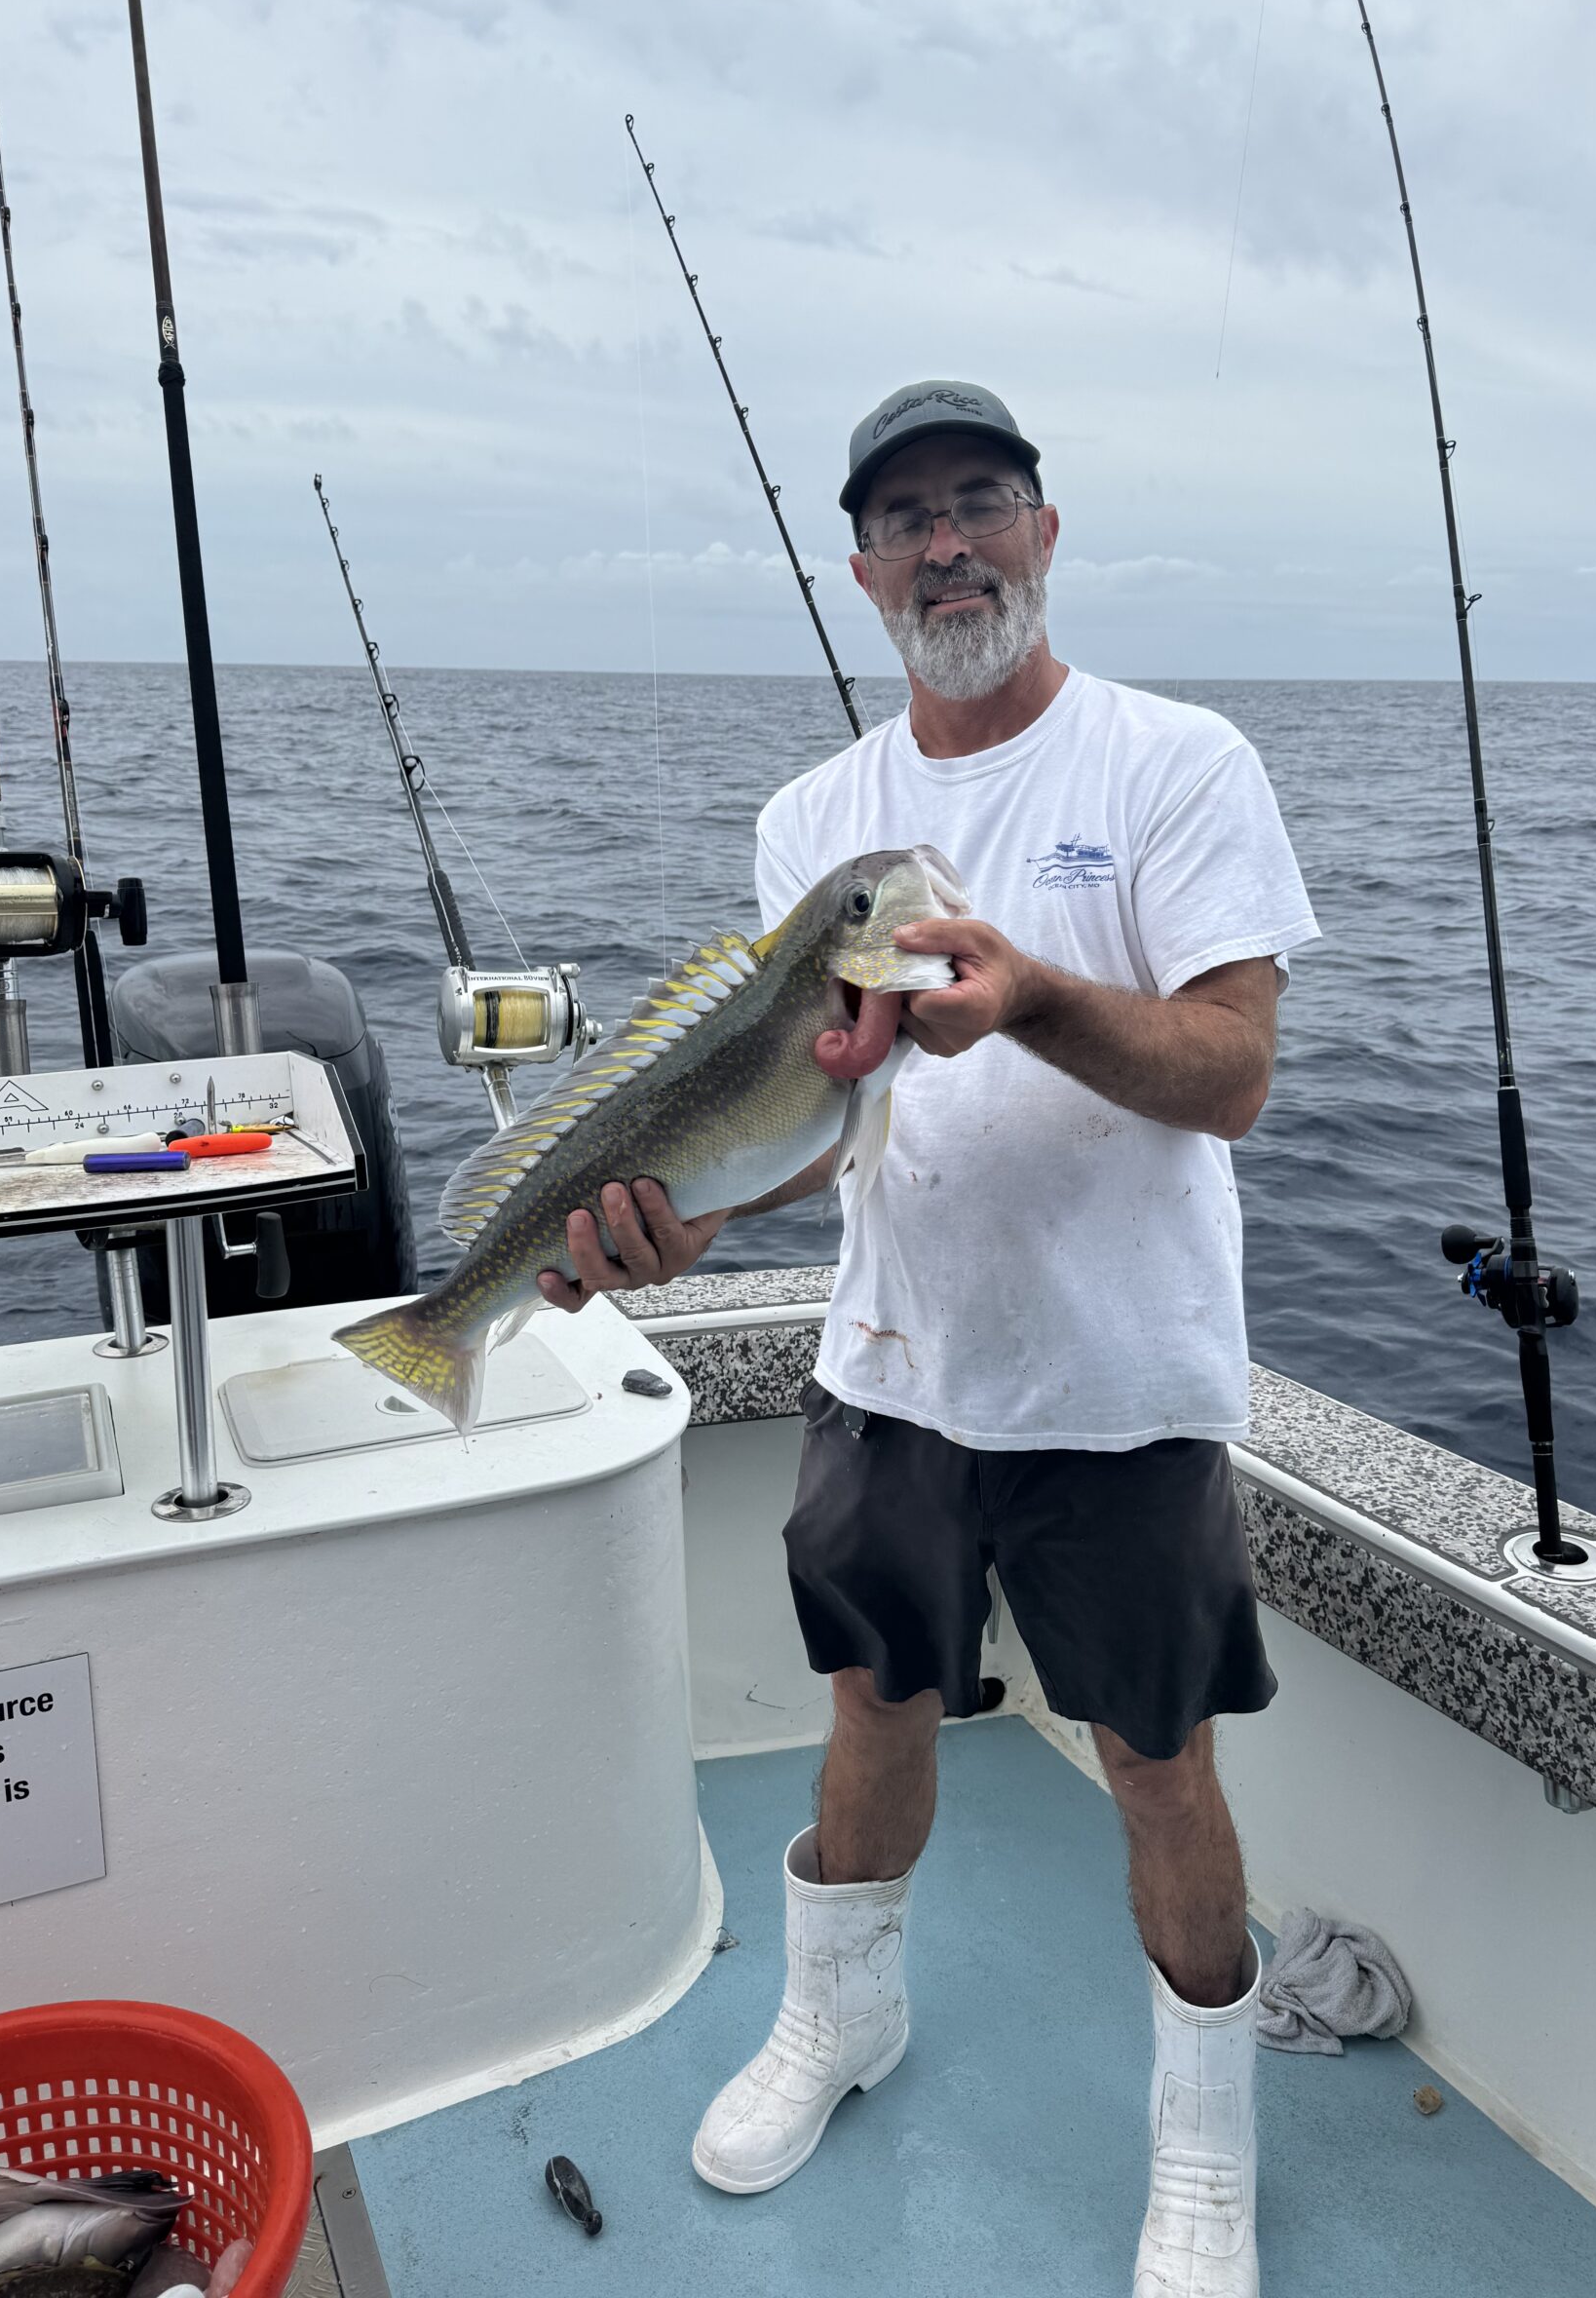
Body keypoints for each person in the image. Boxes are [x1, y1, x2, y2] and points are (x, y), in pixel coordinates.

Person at [537, 380, 1319, 2296]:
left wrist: (1036, 995)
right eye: (907, 519)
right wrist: (684, 1216)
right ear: (866, 569)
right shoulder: (813, 823)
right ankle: (842, 2016)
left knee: (1156, 1760)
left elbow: (1231, 1072)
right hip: (890, 1367)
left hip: (1120, 1389)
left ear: (1046, 529)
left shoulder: (1177, 761)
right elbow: (811, 1123)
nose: (947, 544)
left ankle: (1204, 2137)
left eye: (980, 501)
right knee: (870, 1707)